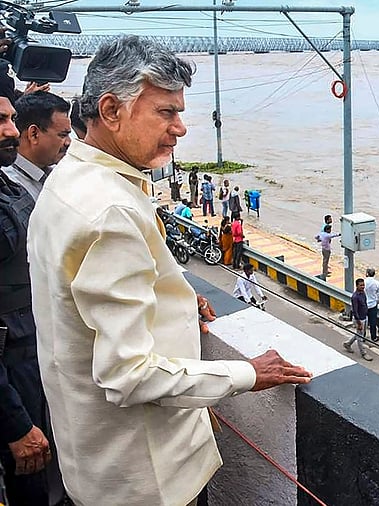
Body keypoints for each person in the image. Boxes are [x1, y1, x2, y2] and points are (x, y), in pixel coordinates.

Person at [26, 36, 314, 505]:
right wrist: (245, 374)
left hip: (94, 462)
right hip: (148, 478)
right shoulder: (110, 210)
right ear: (112, 110)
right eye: (165, 112)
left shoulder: (67, 179)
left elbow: (85, 302)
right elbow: (130, 375)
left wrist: (174, 300)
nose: (180, 128)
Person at [0, 92, 68, 505]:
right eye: (1, 121)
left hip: (33, 359)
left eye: (9, 118)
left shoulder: (9, 185)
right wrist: (15, 424)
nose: (10, 130)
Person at [2, 91, 71, 200]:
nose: (68, 142)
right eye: (62, 135)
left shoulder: (57, 174)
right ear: (33, 134)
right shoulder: (9, 187)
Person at [342, 278, 373, 361]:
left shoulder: (363, 293)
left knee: (360, 334)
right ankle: (364, 353)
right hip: (359, 319)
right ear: (357, 286)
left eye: (363, 285)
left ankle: (348, 344)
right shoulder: (355, 297)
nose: (363, 287)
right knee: (360, 337)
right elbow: (355, 311)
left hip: (364, 317)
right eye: (361, 285)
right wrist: (359, 323)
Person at [364, 267, 379, 342]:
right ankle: (373, 337)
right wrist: (377, 302)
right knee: (373, 322)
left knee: (363, 321)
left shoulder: (363, 282)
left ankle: (363, 336)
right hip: (372, 305)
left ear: (367, 274)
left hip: (364, 305)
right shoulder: (377, 284)